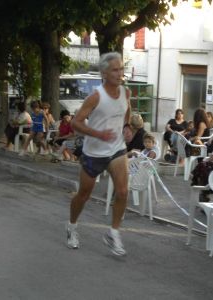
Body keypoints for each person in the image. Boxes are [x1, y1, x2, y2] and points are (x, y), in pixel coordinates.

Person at [67, 52, 131, 256]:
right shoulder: (96, 96)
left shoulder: (126, 92)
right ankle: (72, 226)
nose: (120, 73)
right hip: (94, 151)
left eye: (121, 68)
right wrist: (97, 133)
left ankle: (113, 233)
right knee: (84, 194)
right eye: (115, 69)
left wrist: (127, 126)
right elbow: (75, 122)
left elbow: (127, 110)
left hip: (117, 149)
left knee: (122, 191)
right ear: (104, 73)